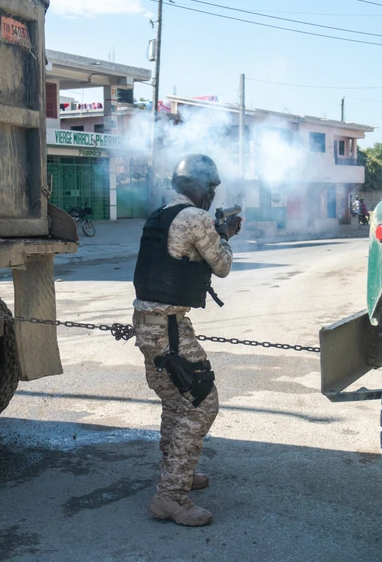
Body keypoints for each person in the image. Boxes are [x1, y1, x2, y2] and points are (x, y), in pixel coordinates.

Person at [131, 154, 241, 527]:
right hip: (168, 330)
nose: (212, 193)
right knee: (201, 404)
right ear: (194, 185)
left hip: (150, 324)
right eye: (210, 186)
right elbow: (221, 266)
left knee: (175, 401)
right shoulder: (196, 218)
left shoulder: (160, 215)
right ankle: (171, 497)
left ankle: (177, 472)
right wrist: (224, 234)